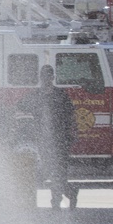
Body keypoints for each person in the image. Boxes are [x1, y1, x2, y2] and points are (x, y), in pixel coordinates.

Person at [16, 64, 78, 209]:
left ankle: (56, 200)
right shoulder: (36, 95)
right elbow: (21, 105)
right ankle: (70, 192)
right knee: (50, 170)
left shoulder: (60, 95)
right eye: (44, 77)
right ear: (40, 78)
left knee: (59, 171)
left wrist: (73, 132)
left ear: (52, 78)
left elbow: (71, 114)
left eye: (48, 76)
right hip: (43, 139)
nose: (46, 79)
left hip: (60, 139)